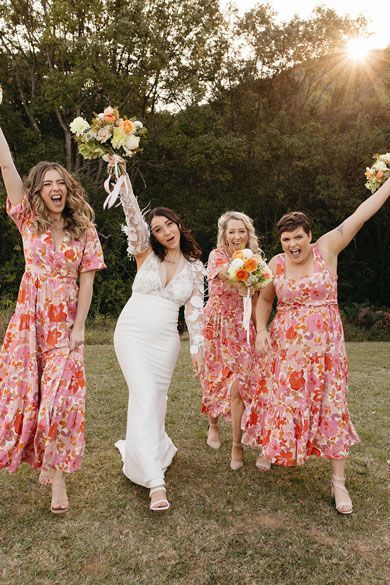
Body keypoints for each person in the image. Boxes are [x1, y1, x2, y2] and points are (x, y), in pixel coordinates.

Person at [244, 178, 390, 514]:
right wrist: (262, 330)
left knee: (331, 405)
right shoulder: (276, 265)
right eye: (286, 239)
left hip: (326, 350)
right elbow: (265, 299)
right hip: (285, 348)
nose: (293, 244)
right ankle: (271, 447)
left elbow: (360, 215)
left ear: (310, 236)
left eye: (298, 237)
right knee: (281, 398)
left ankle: (339, 485)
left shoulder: (327, 249)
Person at [0, 126, 106, 514]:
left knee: (62, 400)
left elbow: (88, 283)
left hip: (65, 325)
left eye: (60, 182)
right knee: (27, 397)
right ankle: (39, 456)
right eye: (47, 184)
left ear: (68, 188)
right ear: (38, 192)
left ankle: (57, 477)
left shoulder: (85, 230)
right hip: (30, 321)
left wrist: (79, 327)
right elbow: (7, 166)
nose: (55, 189)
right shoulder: (28, 219)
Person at [113, 183, 204, 511]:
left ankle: (150, 450)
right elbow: (132, 215)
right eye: (157, 229)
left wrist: (197, 349)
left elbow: (194, 313)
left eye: (169, 224)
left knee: (154, 400)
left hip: (166, 342)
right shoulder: (145, 253)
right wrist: (121, 176)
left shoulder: (195, 268)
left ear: (178, 225)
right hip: (132, 333)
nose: (165, 231)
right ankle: (155, 482)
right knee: (145, 394)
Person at [200, 211, 265, 470]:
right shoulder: (217, 256)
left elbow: (260, 294)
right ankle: (213, 424)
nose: (237, 236)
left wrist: (260, 328)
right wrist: (248, 269)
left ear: (248, 234)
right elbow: (230, 275)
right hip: (217, 324)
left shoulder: (257, 260)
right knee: (215, 375)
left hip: (242, 325)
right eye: (232, 232)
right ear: (224, 235)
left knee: (245, 378)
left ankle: (240, 443)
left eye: (242, 231)